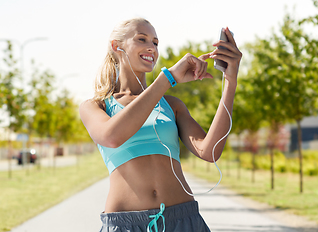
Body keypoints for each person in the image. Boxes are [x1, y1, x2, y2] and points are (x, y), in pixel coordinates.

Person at [79, 17, 242, 232]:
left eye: (155, 42)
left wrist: (230, 82)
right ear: (116, 46)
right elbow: (112, 136)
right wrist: (168, 78)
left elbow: (210, 151)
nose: (151, 47)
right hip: (126, 226)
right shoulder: (96, 106)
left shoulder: (171, 105)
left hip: (183, 220)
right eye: (142, 39)